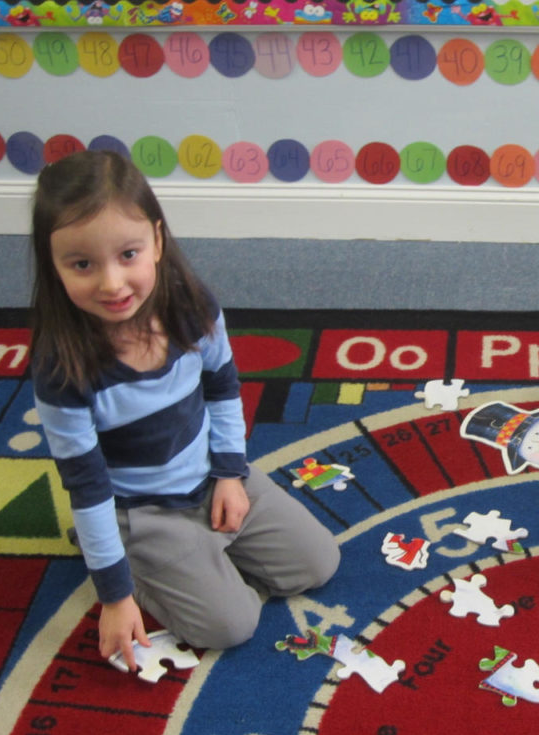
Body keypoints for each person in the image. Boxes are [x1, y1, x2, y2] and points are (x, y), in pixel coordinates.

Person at [30, 150, 340, 671]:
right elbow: (87, 487)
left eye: (127, 254)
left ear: (156, 239)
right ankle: (134, 561)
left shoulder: (193, 309)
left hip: (211, 478)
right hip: (141, 511)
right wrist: (116, 596)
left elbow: (222, 390)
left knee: (318, 563)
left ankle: (200, 561)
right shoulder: (64, 369)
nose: (110, 283)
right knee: (231, 625)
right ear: (53, 264)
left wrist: (230, 474)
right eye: (82, 264)